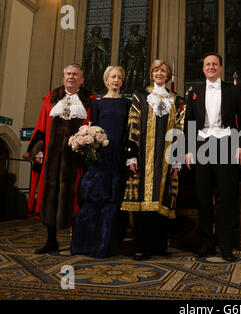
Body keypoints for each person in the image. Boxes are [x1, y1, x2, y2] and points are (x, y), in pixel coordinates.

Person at [184, 52, 241, 262]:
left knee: (227, 197)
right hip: (202, 144)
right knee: (203, 197)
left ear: (220, 67)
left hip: (227, 143)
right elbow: (189, 124)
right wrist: (188, 149)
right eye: (207, 64)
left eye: (215, 64)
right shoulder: (194, 92)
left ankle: (226, 246)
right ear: (203, 68)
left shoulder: (234, 90)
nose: (211, 67)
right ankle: (206, 244)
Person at [26, 64, 95, 254]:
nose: (71, 77)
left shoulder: (89, 101)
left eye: (75, 74)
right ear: (63, 77)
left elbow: (93, 127)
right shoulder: (51, 99)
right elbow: (41, 125)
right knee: (50, 198)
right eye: (68, 74)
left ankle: (77, 241)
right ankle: (51, 241)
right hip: (52, 160)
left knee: (76, 200)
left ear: (82, 79)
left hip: (76, 161)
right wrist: (38, 150)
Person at [121, 59, 184, 261]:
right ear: (151, 73)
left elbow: (179, 130)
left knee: (162, 201)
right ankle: (140, 247)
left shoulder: (175, 99)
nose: (159, 73)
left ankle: (159, 245)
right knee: (143, 202)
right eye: (156, 70)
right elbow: (132, 125)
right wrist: (131, 155)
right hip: (143, 156)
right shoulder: (140, 97)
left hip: (165, 159)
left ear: (168, 75)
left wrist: (176, 159)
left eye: (163, 71)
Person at [70, 66, 130, 258]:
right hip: (99, 157)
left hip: (118, 157)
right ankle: (86, 243)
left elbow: (129, 132)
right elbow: (92, 126)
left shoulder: (127, 104)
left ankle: (108, 244)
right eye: (113, 77)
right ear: (106, 80)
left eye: (119, 77)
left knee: (113, 200)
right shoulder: (97, 104)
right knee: (94, 198)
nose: (116, 80)